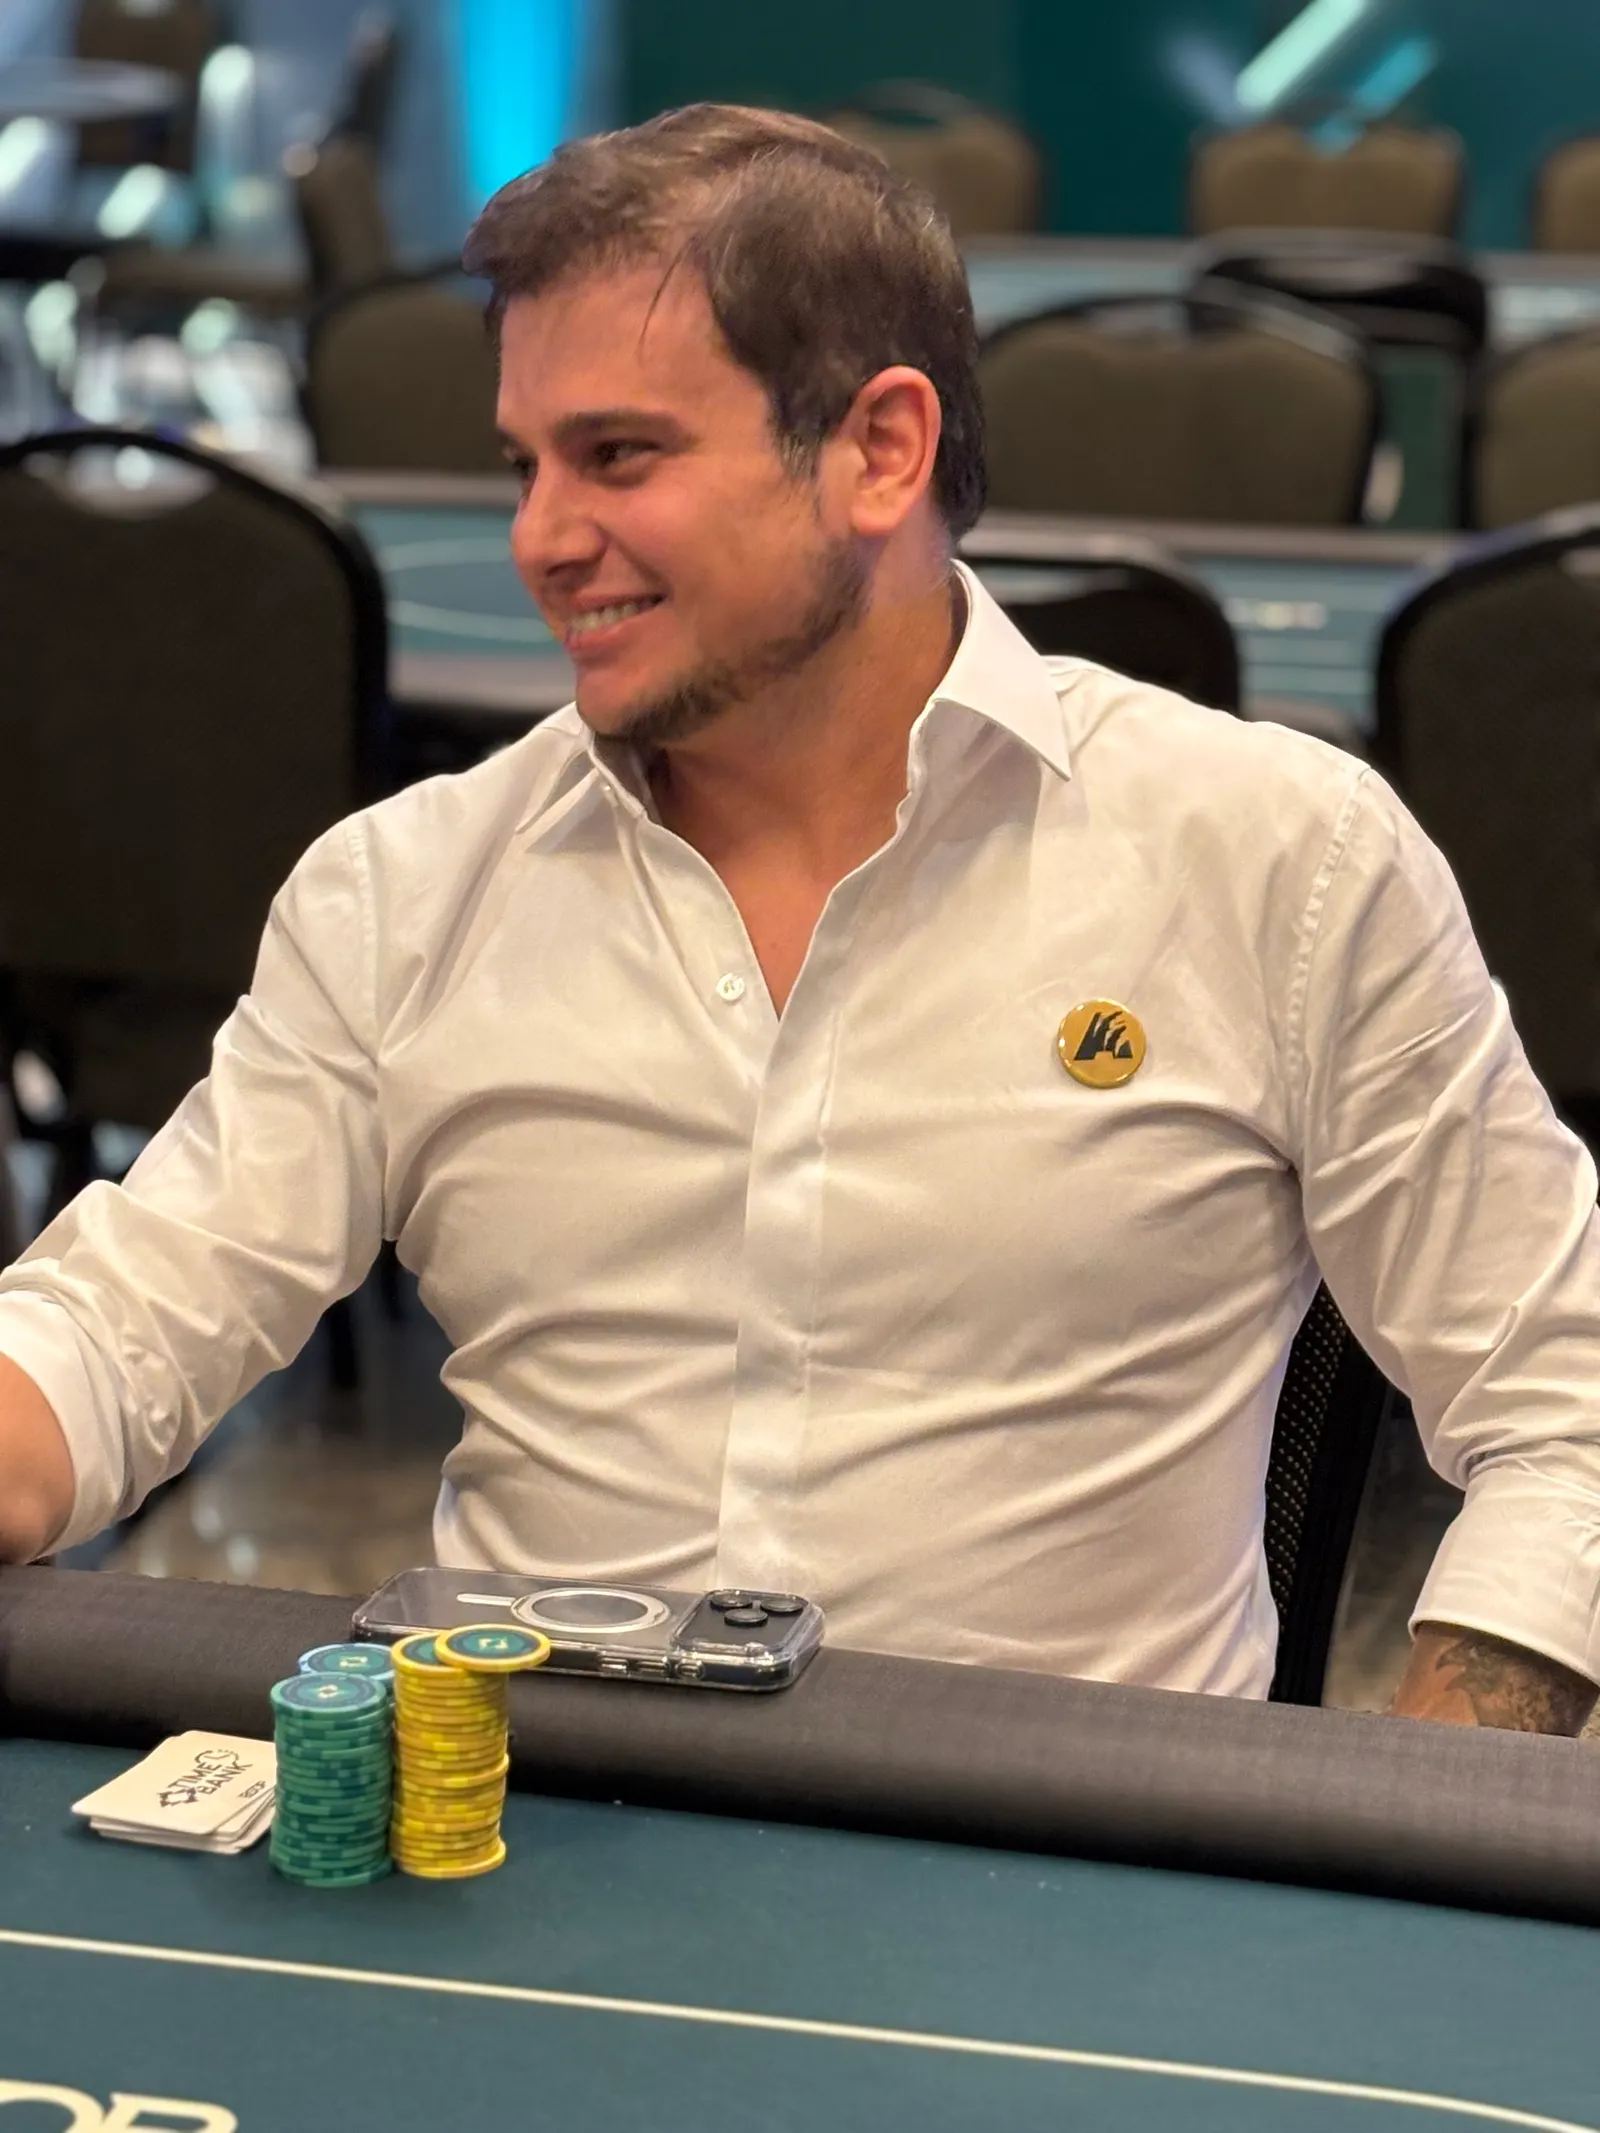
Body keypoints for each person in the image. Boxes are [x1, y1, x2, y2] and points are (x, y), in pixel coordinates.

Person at [1, 104, 1597, 1735]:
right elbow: (120, 1323)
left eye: (620, 456)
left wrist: (1407, 1810)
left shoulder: (1282, 861)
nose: (541, 539)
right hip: (526, 1818)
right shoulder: (402, 890)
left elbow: (1570, 1401)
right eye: (524, 465)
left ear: (880, 450)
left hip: (1074, 1854)